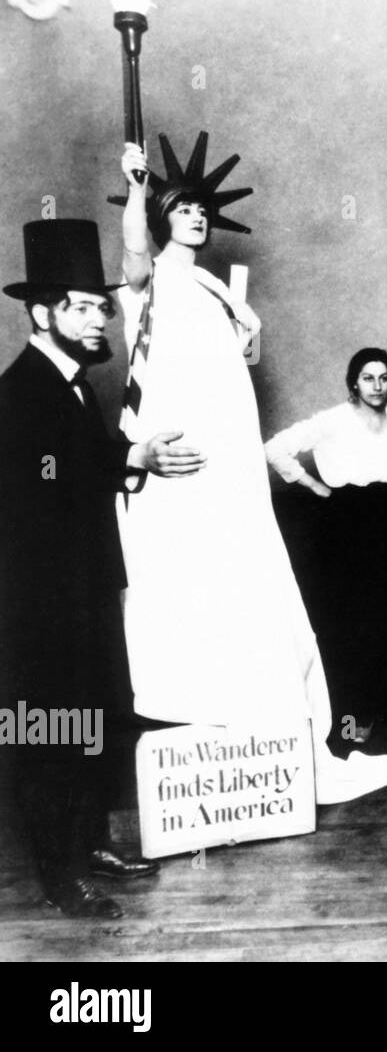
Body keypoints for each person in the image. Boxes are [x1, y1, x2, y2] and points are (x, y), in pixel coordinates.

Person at [115, 140, 387, 803]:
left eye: (200, 209)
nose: (195, 216)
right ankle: (200, 713)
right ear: (160, 216)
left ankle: (260, 718)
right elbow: (130, 259)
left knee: (250, 585)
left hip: (233, 468)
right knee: (192, 583)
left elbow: (235, 363)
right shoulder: (156, 276)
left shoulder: (215, 288)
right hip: (187, 460)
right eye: (181, 208)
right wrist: (133, 185)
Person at [0, 219, 206, 918]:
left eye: (101, 306)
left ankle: (88, 845)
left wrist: (127, 461)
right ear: (42, 313)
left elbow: (78, 475)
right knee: (48, 734)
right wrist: (129, 459)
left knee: (88, 726)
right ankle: (60, 878)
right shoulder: (21, 392)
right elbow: (45, 485)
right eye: (82, 307)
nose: (98, 320)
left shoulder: (78, 388)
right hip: (38, 608)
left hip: (83, 595)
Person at [264, 348, 387, 746]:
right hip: (347, 525)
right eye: (368, 378)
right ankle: (353, 717)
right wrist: (316, 486)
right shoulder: (333, 420)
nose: (378, 386)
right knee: (351, 622)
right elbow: (275, 447)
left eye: (384, 378)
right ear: (354, 382)